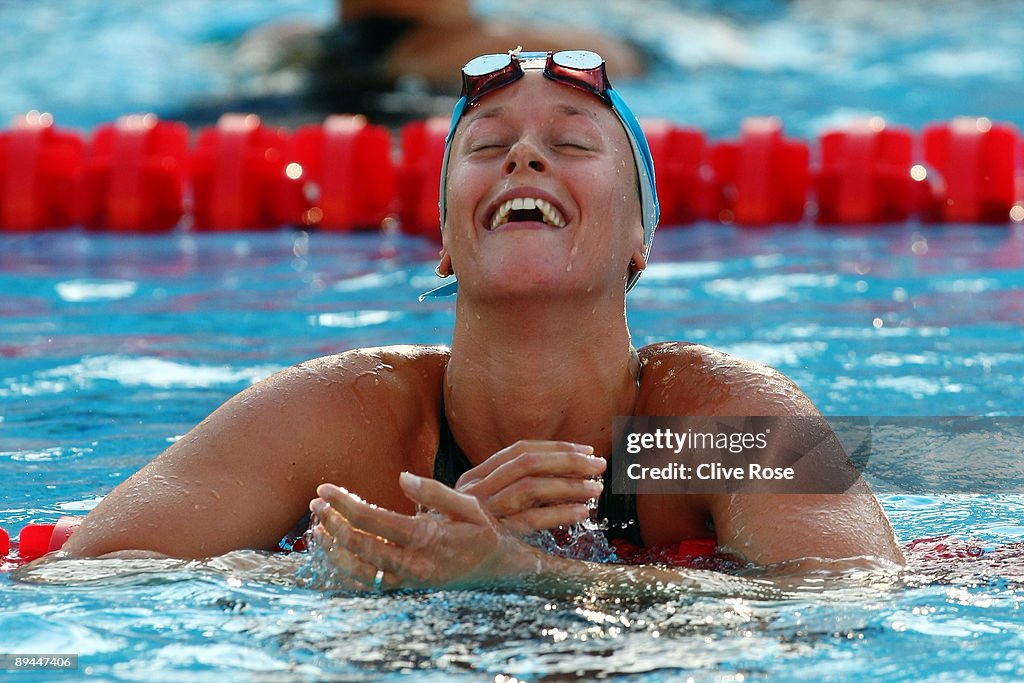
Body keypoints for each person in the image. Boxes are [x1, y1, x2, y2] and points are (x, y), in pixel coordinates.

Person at [62, 49, 904, 589]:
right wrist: (380, 570)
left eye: (571, 143)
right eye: (485, 143)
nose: (524, 155)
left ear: (640, 240)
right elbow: (78, 583)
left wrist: (523, 574)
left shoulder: (716, 421)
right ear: (444, 243)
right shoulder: (346, 415)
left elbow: (852, 597)